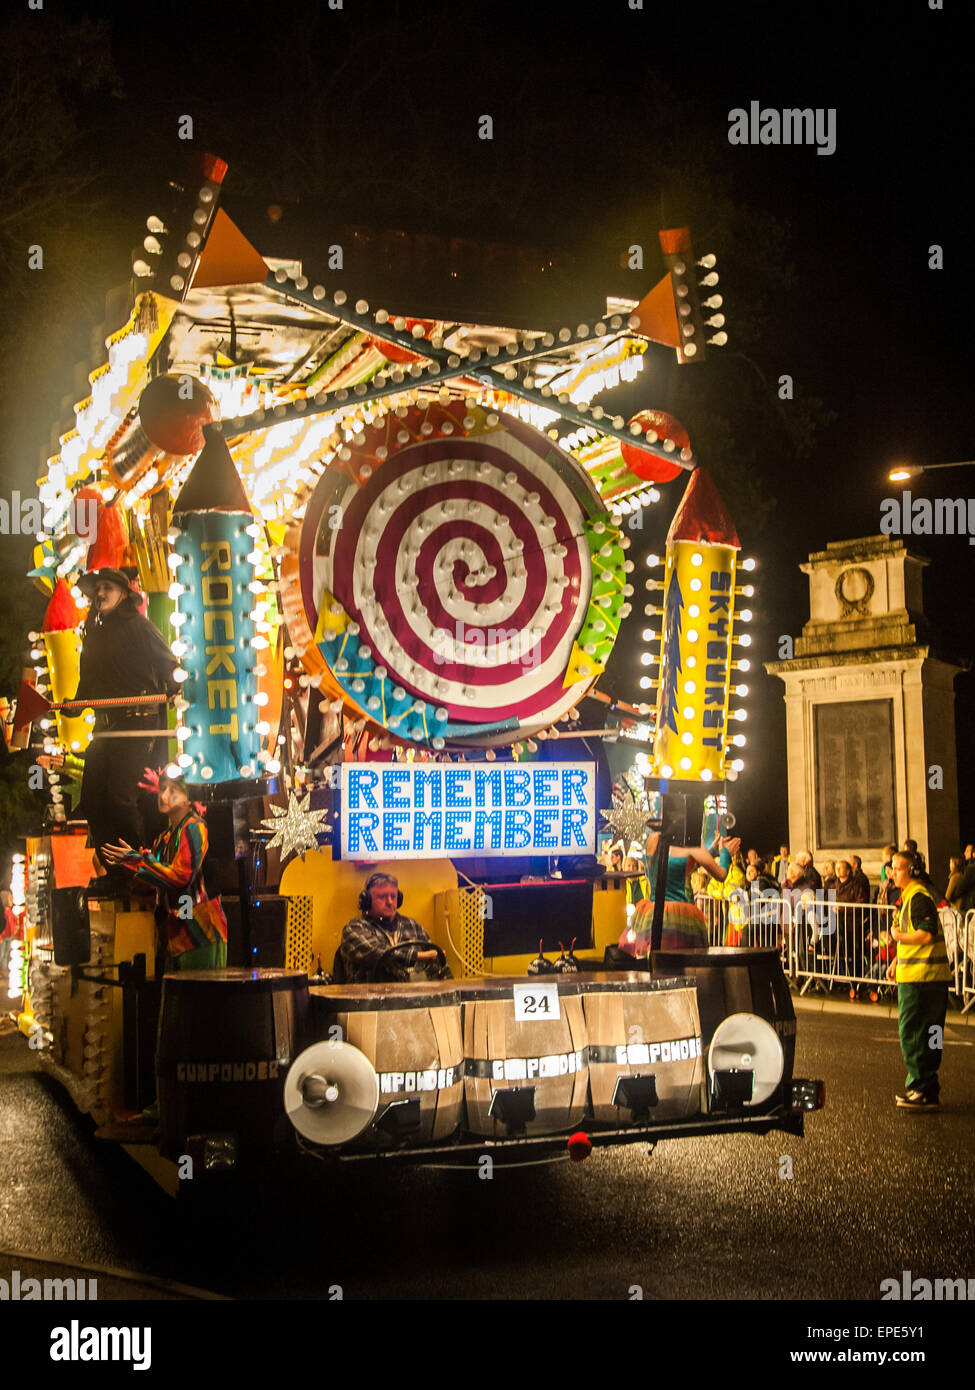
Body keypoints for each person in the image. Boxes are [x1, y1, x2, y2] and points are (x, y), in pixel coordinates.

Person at [69, 568, 177, 894]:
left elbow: (169, 663)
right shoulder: (93, 635)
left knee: (119, 796)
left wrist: (175, 688)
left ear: (121, 594)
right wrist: (72, 705)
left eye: (107, 588)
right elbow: (86, 686)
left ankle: (139, 870)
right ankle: (116, 871)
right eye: (97, 589)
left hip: (137, 723)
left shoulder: (139, 627)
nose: (100, 594)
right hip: (106, 728)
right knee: (91, 800)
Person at [101, 769, 228, 971]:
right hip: (175, 936)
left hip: (200, 933)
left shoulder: (194, 828)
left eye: (173, 790)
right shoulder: (163, 838)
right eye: (162, 789)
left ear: (189, 798)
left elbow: (181, 876)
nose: (164, 796)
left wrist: (138, 861)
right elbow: (156, 879)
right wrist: (135, 871)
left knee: (199, 999)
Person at [886, 851, 951, 1109]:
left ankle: (920, 1088)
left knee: (913, 1033)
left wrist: (897, 935)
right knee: (934, 1032)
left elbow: (924, 935)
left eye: (897, 868)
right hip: (933, 979)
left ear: (912, 871)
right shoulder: (918, 896)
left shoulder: (917, 897)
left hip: (919, 981)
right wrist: (895, 961)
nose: (892, 873)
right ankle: (929, 1086)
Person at [619, 833, 742, 955]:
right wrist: (725, 853)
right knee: (679, 964)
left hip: (653, 912)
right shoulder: (692, 843)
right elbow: (720, 874)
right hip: (678, 917)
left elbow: (673, 866)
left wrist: (710, 853)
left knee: (655, 960)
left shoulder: (653, 839)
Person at [339, 873, 447, 983]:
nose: (390, 902)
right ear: (367, 901)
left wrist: (436, 958)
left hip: (413, 997)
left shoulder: (412, 925)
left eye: (393, 896)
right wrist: (417, 956)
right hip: (370, 998)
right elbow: (378, 954)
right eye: (382, 897)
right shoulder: (354, 928)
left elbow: (435, 964)